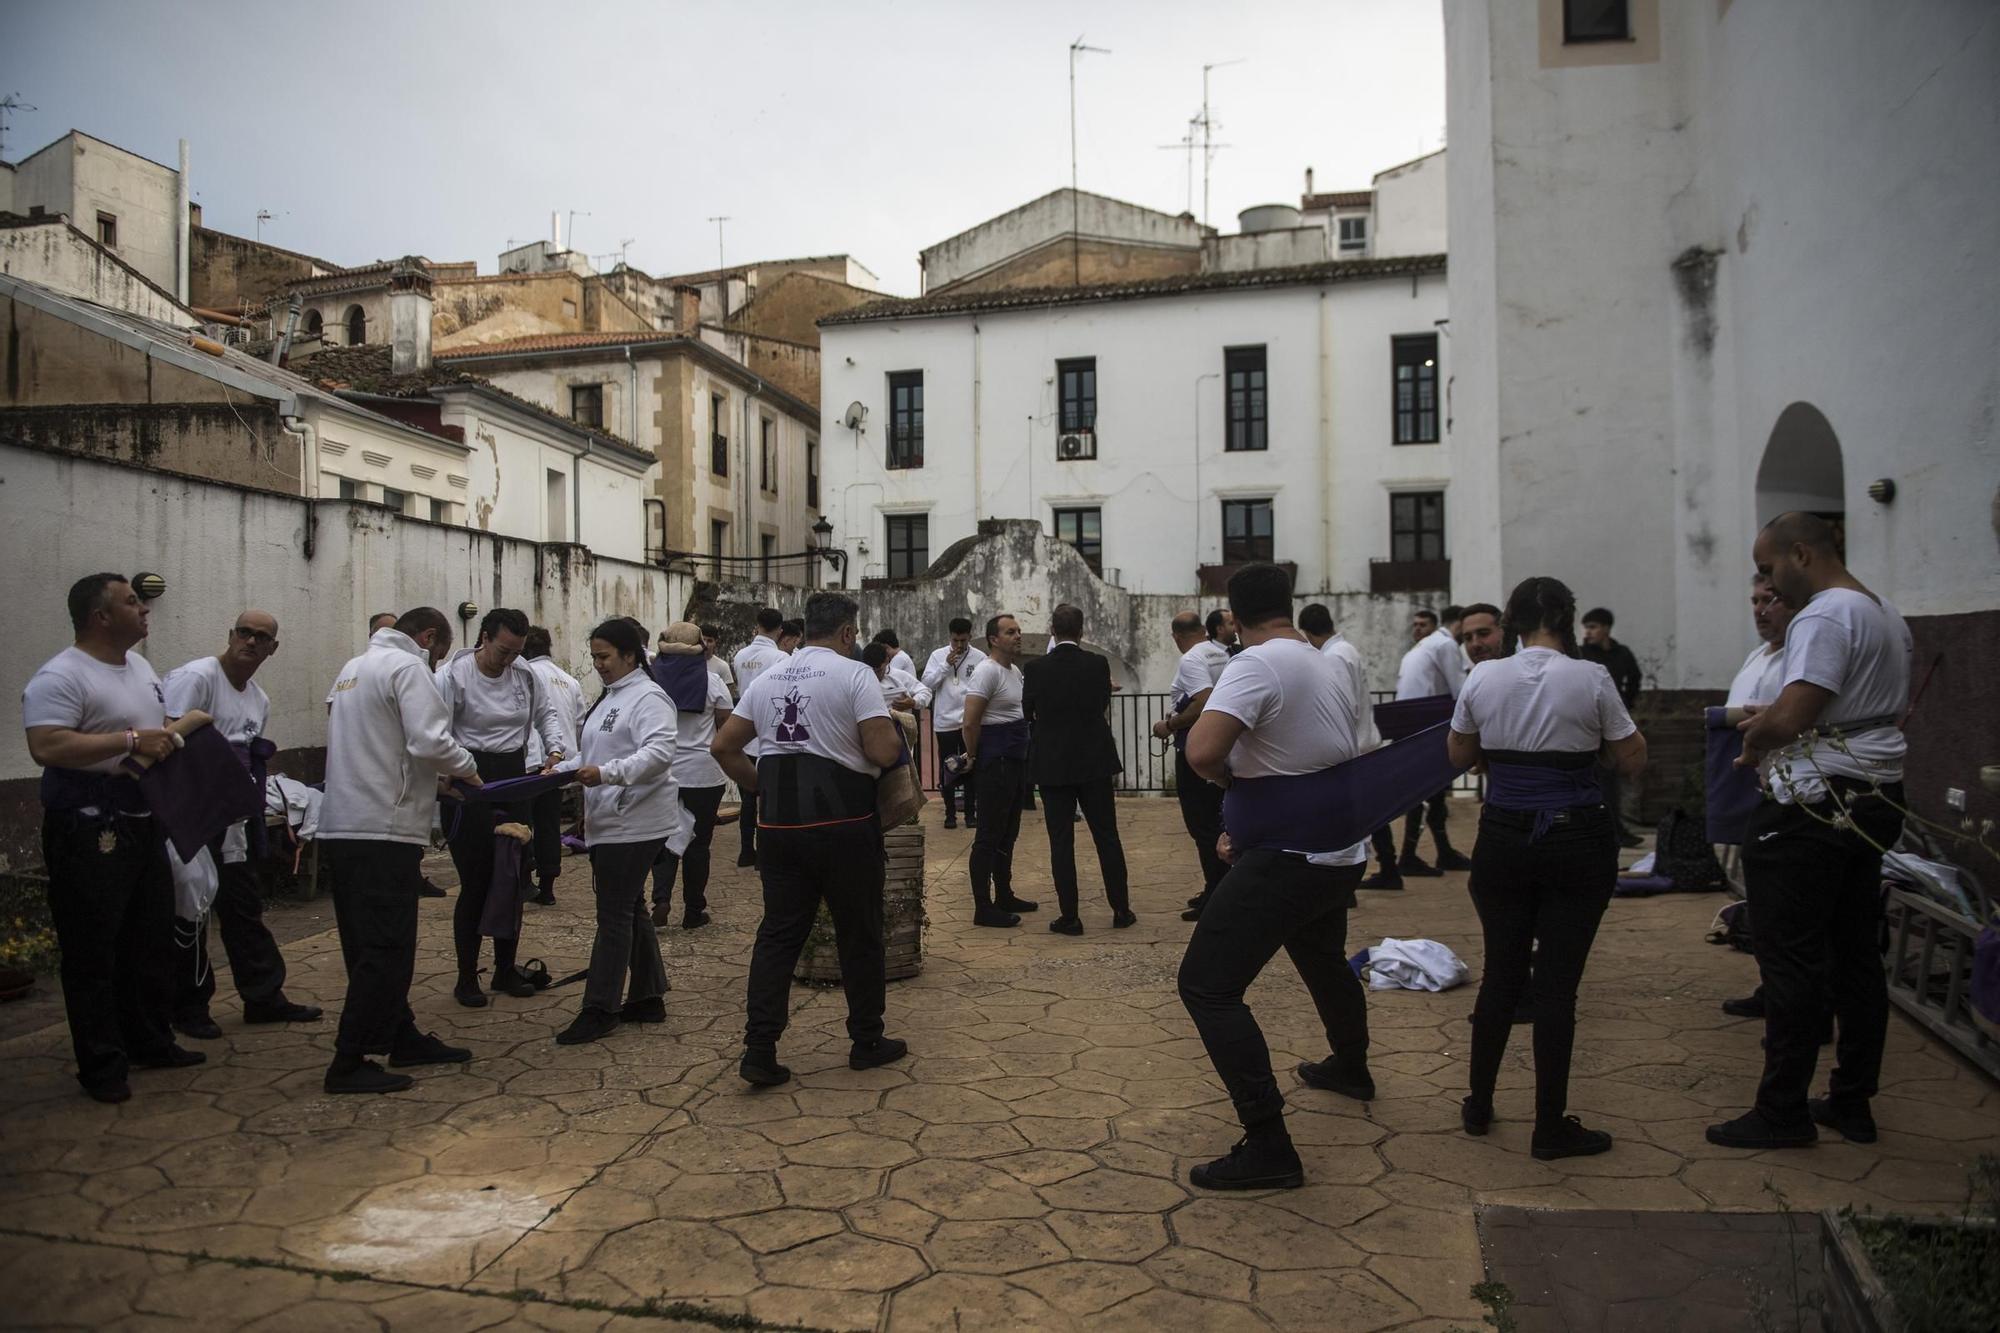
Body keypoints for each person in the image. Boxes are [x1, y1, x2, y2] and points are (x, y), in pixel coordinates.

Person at [1708, 513, 1911, 1150]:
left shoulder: (1825, 615)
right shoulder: (1885, 613)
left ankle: (1782, 1111)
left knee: (1788, 954)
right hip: (1876, 791)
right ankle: (1853, 1101)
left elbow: (1794, 714)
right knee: (1854, 952)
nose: (1767, 585)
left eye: (1769, 570)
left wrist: (1752, 739)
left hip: (1817, 799)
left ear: (1801, 553)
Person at [1178, 562, 1374, 1190]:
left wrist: (1231, 789)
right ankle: (1350, 1065)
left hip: (1293, 855)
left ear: (1232, 618)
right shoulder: (1326, 660)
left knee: (1207, 986)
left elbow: (1202, 752)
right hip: (1338, 850)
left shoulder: (1255, 665)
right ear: (1290, 605)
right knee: (1321, 956)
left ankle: (1268, 1141)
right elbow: (1328, 754)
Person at [1447, 576, 1646, 1160]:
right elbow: (1632, 760)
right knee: (1557, 988)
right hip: (1577, 839)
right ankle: (1549, 1126)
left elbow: (1458, 754)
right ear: (1565, 618)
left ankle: (1479, 1104)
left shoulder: (1484, 675)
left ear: (1511, 622)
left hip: (1504, 837)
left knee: (1502, 977)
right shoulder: (1592, 677)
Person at [713, 591, 909, 1085]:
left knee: (778, 935)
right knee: (858, 931)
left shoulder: (770, 677)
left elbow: (723, 746)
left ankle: (759, 1049)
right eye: (856, 633)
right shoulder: (855, 674)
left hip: (779, 827)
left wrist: (764, 784)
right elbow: (883, 750)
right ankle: (866, 1040)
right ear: (846, 633)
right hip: (843, 823)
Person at [23, 573, 202, 1103]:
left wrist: (175, 732)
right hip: (87, 826)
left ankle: (149, 1039)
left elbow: (151, 724)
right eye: (131, 602)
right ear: (100, 617)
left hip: (141, 819)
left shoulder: (141, 666)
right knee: (93, 948)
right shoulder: (61, 675)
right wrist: (130, 739)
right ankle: (102, 1063)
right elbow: (46, 745)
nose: (145, 609)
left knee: (148, 939)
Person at [320, 607, 479, 1094]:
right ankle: (351, 1059)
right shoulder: (408, 667)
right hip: (382, 830)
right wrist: (467, 769)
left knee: (365, 943)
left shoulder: (353, 668)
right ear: (428, 637)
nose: (436, 664)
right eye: (439, 654)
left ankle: (399, 1033)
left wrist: (435, 784)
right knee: (386, 948)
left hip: (345, 824)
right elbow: (429, 740)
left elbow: (379, 744)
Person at [161, 610, 321, 1039]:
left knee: (243, 905)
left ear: (273, 647)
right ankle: (188, 1007)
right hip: (188, 814)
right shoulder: (197, 678)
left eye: (261, 637)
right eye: (245, 633)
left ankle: (263, 995)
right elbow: (164, 739)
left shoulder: (258, 699)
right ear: (231, 635)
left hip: (232, 816)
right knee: (190, 909)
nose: (251, 642)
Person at [555, 617, 685, 1045]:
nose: (598, 664)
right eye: (594, 657)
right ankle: (648, 997)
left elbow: (660, 753)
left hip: (635, 822)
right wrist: (559, 768)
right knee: (630, 908)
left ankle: (600, 1007)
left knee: (613, 915)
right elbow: (592, 752)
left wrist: (607, 775)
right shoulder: (612, 696)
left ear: (630, 655)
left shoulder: (648, 697)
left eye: (605, 656)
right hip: (611, 819)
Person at [435, 608, 568, 1008]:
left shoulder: (525, 674)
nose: (508, 659)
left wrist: (555, 749)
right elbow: (437, 730)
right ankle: (466, 976)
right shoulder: (452, 677)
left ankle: (505, 967)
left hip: (512, 774)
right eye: (503, 651)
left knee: (512, 876)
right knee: (476, 882)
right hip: (468, 778)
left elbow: (546, 714)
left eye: (515, 652)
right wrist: (450, 778)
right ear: (485, 638)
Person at [1717, 575, 1800, 1022]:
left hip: (1793, 790)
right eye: (1754, 600)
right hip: (1755, 784)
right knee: (1762, 898)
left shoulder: (1801, 656)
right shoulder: (1757, 656)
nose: (1760, 609)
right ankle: (1774, 987)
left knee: (1789, 905)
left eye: (1770, 599)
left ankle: (1802, 1003)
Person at [1021, 605, 1133, 934]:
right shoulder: (1098, 664)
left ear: (1052, 631)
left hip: (1054, 762)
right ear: (1081, 631)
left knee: (1061, 841)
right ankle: (1121, 909)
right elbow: (1101, 704)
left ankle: (1070, 916)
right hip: (1094, 759)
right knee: (1107, 837)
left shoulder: (1037, 668)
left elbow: (1027, 712)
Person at [1370, 608, 1471, 885]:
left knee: (1432, 793)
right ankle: (1411, 855)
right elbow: (1461, 692)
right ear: (1460, 625)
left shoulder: (1422, 648)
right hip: (1428, 726)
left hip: (1412, 724)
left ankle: (1437, 851)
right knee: (1426, 792)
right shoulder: (1446, 644)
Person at [651, 623, 734, 930]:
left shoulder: (651, 682)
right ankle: (693, 910)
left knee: (664, 838)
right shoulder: (713, 682)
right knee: (698, 845)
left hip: (663, 771)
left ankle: (660, 898)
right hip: (703, 774)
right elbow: (726, 727)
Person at [1154, 612, 1233, 922]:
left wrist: (1170, 724)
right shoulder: (1222, 653)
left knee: (1201, 826)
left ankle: (1216, 895)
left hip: (1196, 746)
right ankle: (1216, 887)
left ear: (1176, 637)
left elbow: (1203, 700)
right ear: (1203, 630)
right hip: (1224, 746)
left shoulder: (1191, 659)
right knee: (1217, 821)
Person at [960, 614, 1038, 927]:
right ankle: (983, 905)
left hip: (1015, 760)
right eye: (1010, 632)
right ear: (994, 639)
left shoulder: (1014, 670)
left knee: (1009, 831)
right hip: (997, 761)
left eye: (1018, 631)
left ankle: (1004, 893)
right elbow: (970, 721)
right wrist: (975, 756)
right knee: (989, 834)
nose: (1018, 635)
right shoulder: (986, 672)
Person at [522, 626, 586, 906]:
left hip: (528, 762)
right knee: (549, 824)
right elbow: (581, 724)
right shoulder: (569, 681)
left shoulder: (521, 674)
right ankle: (548, 886)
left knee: (521, 823)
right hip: (559, 764)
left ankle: (523, 882)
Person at [1580, 607, 1646, 848]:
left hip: (1614, 721)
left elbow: (1635, 678)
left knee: (1611, 776)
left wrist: (1626, 703)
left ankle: (1615, 828)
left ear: (1606, 628)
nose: (1588, 632)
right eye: (1586, 627)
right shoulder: (1582, 653)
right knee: (1595, 776)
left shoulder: (1621, 653)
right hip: (1589, 720)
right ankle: (1600, 829)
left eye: (1593, 627)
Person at [730, 608, 788, 868]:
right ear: (780, 630)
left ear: (757, 625)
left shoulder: (739, 656)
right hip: (767, 734)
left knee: (747, 800)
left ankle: (745, 850)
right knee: (769, 799)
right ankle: (764, 853)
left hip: (744, 733)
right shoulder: (780, 658)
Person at [921, 617, 987, 829]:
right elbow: (926, 684)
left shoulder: (979, 657)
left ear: (970, 636)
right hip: (945, 722)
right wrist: (945, 666)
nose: (959, 645)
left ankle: (970, 814)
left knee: (971, 767)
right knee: (948, 768)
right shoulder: (938, 656)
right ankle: (950, 814)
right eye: (956, 640)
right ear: (950, 636)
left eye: (963, 641)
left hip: (970, 722)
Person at [863, 642, 932, 715]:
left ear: (887, 660)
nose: (875, 676)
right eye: (871, 671)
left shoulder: (900, 676)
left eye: (879, 671)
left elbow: (926, 692)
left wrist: (914, 702)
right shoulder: (859, 679)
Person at [700, 624, 736, 695]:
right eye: (703, 640)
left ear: (715, 642)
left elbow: (729, 693)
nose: (706, 644)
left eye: (710, 641)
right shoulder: (689, 663)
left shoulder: (722, 666)